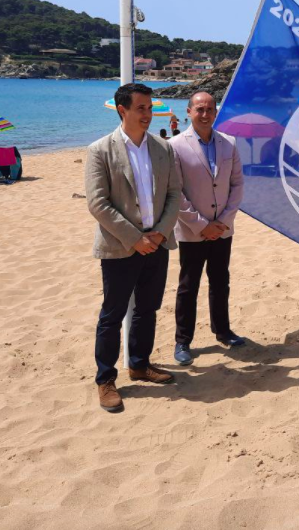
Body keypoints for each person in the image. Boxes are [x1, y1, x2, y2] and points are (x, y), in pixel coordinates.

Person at [85, 82, 182, 412]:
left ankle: (139, 364)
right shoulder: (100, 150)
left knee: (147, 308)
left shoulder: (163, 148)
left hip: (157, 243)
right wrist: (135, 238)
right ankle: (105, 379)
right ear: (122, 110)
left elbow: (174, 193)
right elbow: (98, 203)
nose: (148, 114)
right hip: (120, 246)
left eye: (150, 108)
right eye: (141, 108)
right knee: (112, 314)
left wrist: (159, 234)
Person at [167, 91, 245, 366]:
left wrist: (223, 221)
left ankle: (222, 330)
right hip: (192, 231)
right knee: (188, 286)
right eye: (199, 109)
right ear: (189, 111)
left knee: (220, 282)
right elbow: (175, 192)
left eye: (210, 109)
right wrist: (202, 225)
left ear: (215, 112)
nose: (205, 114)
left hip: (223, 229)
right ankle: (183, 340)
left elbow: (237, 185)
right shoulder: (175, 145)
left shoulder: (229, 143)